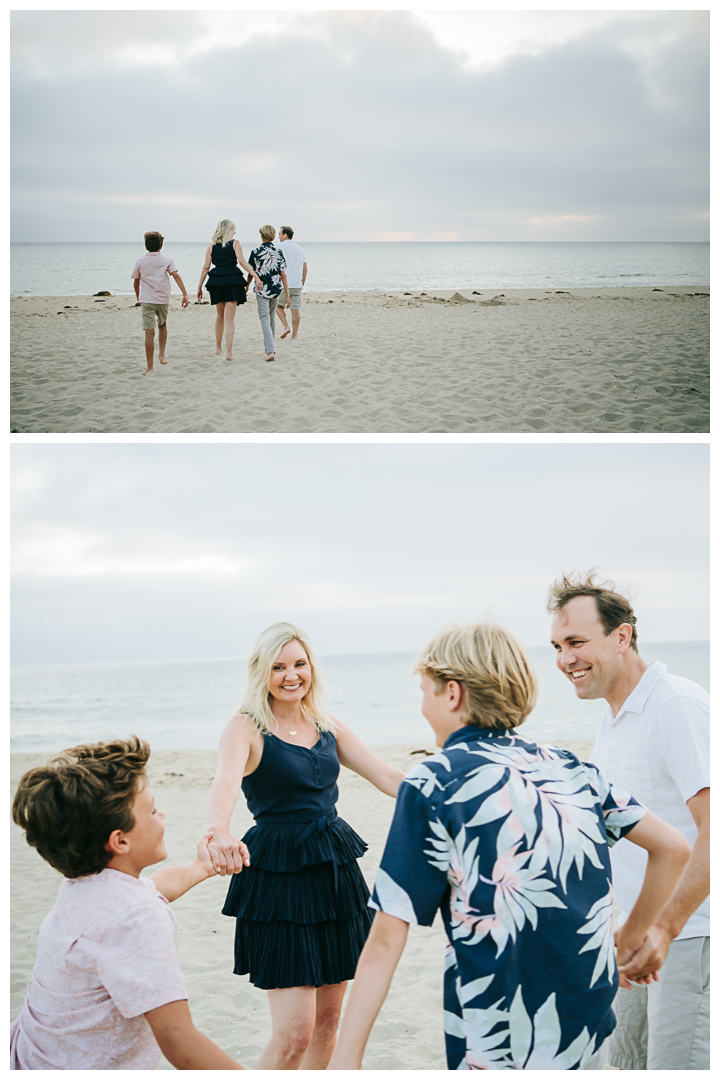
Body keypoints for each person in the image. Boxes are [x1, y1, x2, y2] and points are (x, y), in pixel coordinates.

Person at [329, 622, 691, 1071]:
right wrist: (635, 935)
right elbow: (673, 848)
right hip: (586, 1022)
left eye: (425, 691)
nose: (423, 707)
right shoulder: (571, 768)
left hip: (501, 1035)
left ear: (453, 694)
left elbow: (385, 939)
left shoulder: (434, 783)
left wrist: (344, 1062)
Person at [206, 622, 404, 1069]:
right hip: (279, 876)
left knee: (329, 1023)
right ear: (262, 671)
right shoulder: (246, 726)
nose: (291, 675)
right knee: (294, 1033)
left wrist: (446, 794)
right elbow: (224, 780)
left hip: (333, 870)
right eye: (279, 666)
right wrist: (218, 829)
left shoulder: (326, 724)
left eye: (299, 663)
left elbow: (387, 776)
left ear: (311, 666)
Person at [548, 572, 710, 1070]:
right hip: (634, 932)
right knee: (627, 1064)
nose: (564, 659)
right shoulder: (612, 714)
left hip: (689, 936)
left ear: (622, 636)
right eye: (557, 646)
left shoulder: (676, 706)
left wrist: (664, 928)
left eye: (576, 642)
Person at [11, 736, 245, 1071]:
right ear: (120, 841)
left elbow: (156, 886)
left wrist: (201, 867)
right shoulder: (136, 917)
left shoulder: (82, 889)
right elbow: (178, 1040)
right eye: (151, 810)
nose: (161, 813)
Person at [197, 220, 261, 362]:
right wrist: (255, 276)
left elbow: (205, 267)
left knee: (220, 315)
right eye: (233, 229)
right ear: (229, 230)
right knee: (229, 318)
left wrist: (199, 286)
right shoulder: (235, 243)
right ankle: (229, 353)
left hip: (217, 280)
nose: (235, 232)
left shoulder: (211, 246)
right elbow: (243, 262)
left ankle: (218, 348)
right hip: (232, 279)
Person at [131, 231, 189, 375]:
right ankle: (161, 355)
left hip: (147, 300)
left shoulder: (140, 262)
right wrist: (185, 294)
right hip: (162, 299)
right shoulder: (167, 260)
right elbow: (176, 276)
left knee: (149, 332)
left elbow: (136, 282)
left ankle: (150, 366)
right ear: (161, 246)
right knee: (162, 325)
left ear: (145, 246)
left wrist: (138, 297)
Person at [246, 226, 291, 361]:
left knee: (265, 318)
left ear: (261, 236)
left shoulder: (256, 252)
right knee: (270, 318)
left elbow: (251, 271)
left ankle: (270, 351)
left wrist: (246, 286)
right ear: (272, 236)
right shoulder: (278, 251)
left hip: (262, 290)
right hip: (276, 289)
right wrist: (287, 294)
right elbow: (283, 274)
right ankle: (270, 349)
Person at [275, 226, 307, 341]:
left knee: (277, 307)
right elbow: (305, 267)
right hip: (297, 284)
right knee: (295, 309)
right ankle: (294, 336)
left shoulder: (278, 246)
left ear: (285, 235)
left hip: (284, 284)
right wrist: (302, 282)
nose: (278, 237)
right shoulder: (299, 249)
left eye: (279, 234)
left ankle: (286, 326)